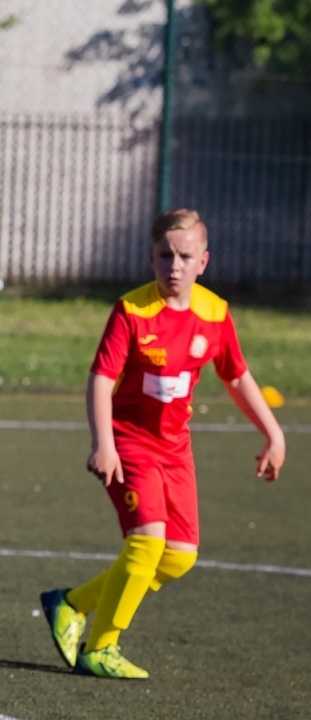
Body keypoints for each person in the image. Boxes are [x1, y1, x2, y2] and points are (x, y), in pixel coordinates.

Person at [40, 208, 286, 679]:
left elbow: (236, 375)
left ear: (203, 261)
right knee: (147, 541)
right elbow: (99, 380)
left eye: (184, 255)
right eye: (164, 254)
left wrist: (274, 433)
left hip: (175, 447)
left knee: (179, 556)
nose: (173, 264)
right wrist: (103, 443)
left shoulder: (214, 314)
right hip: (128, 441)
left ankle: (70, 604)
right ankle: (100, 648)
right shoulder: (132, 310)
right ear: (150, 258)